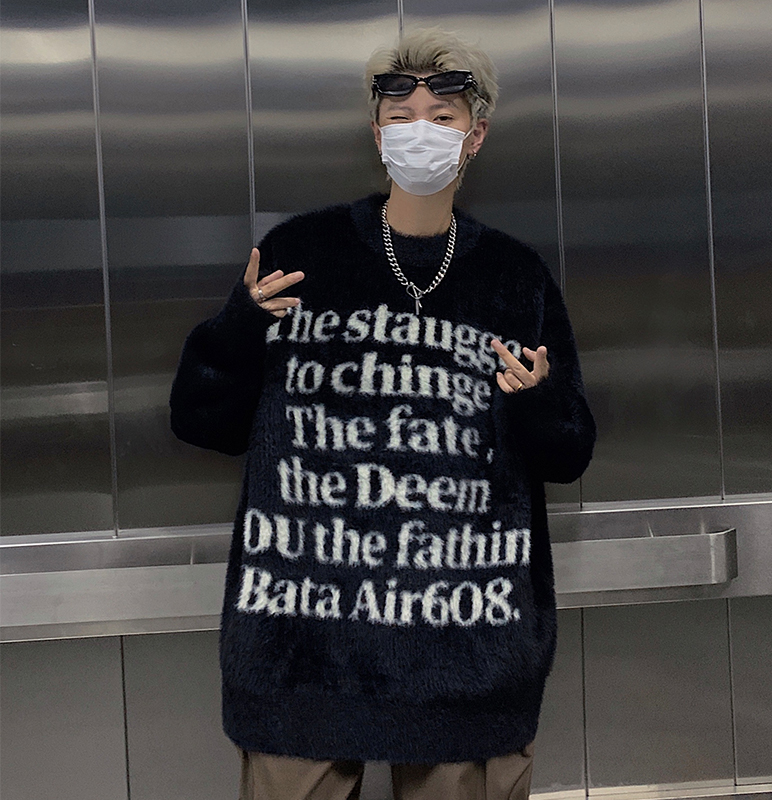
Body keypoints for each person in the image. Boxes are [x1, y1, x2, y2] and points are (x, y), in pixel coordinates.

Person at [170, 27, 596, 800]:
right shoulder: (303, 252)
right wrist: (237, 329)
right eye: (401, 116)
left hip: (467, 656)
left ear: (476, 135)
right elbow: (203, 423)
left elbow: (569, 454)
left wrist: (538, 401)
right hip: (303, 650)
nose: (419, 131)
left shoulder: (515, 277)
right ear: (377, 132)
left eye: (443, 116)